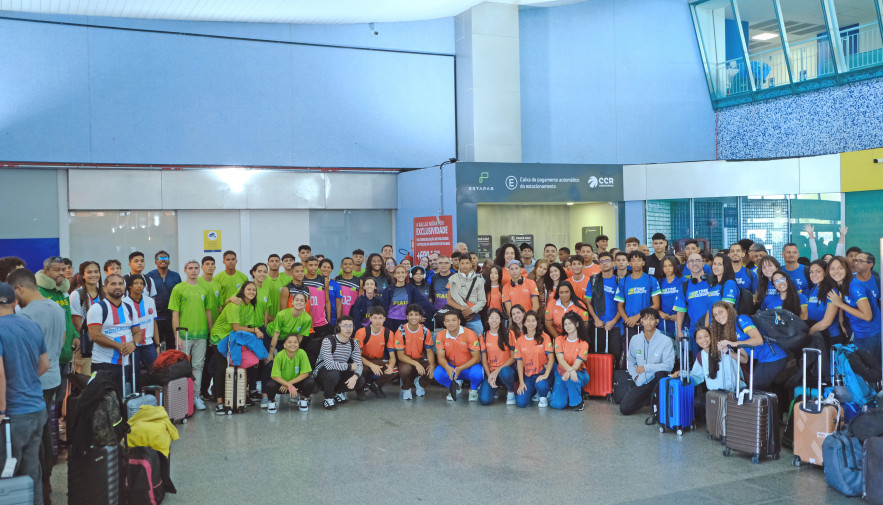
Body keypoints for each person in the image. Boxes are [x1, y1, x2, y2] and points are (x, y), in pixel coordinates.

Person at [7, 269, 65, 503]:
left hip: (34, 379)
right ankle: (46, 481)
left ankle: (41, 483)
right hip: (53, 376)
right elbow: (61, 341)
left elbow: (26, 351)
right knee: (44, 432)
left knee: (35, 439)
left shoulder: (27, 315)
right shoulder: (57, 308)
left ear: (19, 289)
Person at [0, 282, 51, 505]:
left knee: (5, 475)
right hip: (36, 409)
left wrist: (1, 410)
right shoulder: (31, 325)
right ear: (14, 301)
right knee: (31, 472)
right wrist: (25, 379)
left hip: (11, 414)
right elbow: (45, 364)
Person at [209, 281, 263, 414]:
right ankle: (220, 402)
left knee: (239, 366)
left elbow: (245, 327)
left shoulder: (250, 306)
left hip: (234, 338)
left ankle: (237, 397)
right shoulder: (235, 304)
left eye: (254, 290)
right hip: (220, 337)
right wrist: (255, 330)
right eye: (249, 289)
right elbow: (236, 327)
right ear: (243, 290)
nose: (251, 292)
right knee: (222, 368)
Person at [709, 301, 786, 391]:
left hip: (774, 357)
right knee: (762, 389)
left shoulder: (741, 319)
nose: (718, 316)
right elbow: (744, 359)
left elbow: (758, 340)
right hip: (764, 359)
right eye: (715, 315)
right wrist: (727, 351)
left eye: (720, 312)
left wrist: (732, 343)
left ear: (728, 311)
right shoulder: (732, 329)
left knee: (755, 388)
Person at [169, 260, 213, 411]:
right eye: (190, 268)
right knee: (182, 367)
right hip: (184, 335)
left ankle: (196, 396)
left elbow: (208, 311)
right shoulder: (178, 288)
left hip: (201, 334)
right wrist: (177, 335)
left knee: (198, 366)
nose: (193, 271)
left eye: (196, 268)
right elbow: (175, 313)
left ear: (199, 270)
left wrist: (210, 331)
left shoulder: (205, 288)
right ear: (185, 270)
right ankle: (182, 397)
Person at [86, 274, 141, 394]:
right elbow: (95, 335)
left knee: (121, 398)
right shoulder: (97, 308)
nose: (118, 287)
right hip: (103, 364)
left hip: (124, 364)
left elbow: (137, 332)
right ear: (105, 288)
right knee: (103, 400)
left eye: (120, 284)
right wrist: (118, 346)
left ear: (124, 287)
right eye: (113, 284)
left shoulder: (129, 308)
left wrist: (133, 344)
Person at [671, 326, 745, 414]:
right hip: (715, 393)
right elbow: (696, 375)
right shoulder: (700, 356)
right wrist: (682, 373)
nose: (703, 340)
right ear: (696, 341)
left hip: (733, 391)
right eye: (699, 338)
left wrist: (728, 393)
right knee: (698, 402)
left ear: (711, 337)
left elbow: (733, 372)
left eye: (706, 336)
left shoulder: (723, 349)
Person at [619, 308, 676, 415]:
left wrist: (646, 368)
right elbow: (630, 361)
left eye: (651, 319)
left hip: (657, 380)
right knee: (625, 408)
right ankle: (648, 399)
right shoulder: (635, 339)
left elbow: (669, 366)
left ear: (657, 321)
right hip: (641, 381)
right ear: (641, 321)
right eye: (645, 319)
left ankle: (659, 404)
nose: (648, 322)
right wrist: (635, 376)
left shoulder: (666, 341)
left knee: (661, 373)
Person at [827, 256, 882, 357]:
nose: (836, 271)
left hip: (871, 334)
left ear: (847, 269)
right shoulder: (842, 285)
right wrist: (841, 321)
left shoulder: (855, 286)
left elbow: (867, 316)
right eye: (832, 268)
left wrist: (840, 304)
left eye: (840, 268)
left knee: (870, 366)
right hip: (858, 333)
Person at [35, 257, 77, 378]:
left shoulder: (63, 292)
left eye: (63, 269)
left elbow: (68, 318)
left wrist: (75, 335)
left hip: (66, 354)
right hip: (49, 358)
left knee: (62, 389)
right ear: (46, 272)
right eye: (56, 270)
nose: (61, 273)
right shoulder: (38, 292)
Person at [314, 315, 365, 410]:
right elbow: (329, 365)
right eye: (345, 326)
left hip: (340, 371)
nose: (348, 329)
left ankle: (337, 392)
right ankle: (328, 398)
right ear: (338, 328)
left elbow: (359, 364)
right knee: (333, 374)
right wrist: (349, 366)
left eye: (350, 326)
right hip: (323, 372)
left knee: (360, 380)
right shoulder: (328, 340)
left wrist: (355, 377)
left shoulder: (353, 343)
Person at [433, 311, 483, 402]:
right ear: (444, 323)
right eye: (447, 321)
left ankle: (473, 389)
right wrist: (447, 367)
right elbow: (440, 357)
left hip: (469, 366)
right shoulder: (440, 335)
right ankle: (456, 387)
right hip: (452, 366)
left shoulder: (470, 334)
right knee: (437, 374)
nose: (451, 323)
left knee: (478, 374)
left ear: (459, 321)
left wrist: (461, 368)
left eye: (454, 320)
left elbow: (476, 358)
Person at [615, 251, 661, 341]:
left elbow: (656, 305)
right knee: (630, 349)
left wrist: (638, 316)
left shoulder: (651, 280)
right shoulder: (624, 281)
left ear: (643, 263)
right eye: (633, 260)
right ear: (629, 263)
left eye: (639, 260)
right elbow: (620, 306)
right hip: (629, 324)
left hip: (647, 323)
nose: (636, 263)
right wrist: (628, 320)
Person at [392, 304, 435, 400]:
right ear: (407, 317)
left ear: (420, 317)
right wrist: (416, 364)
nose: (413, 317)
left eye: (416, 315)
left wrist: (432, 366)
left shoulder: (425, 331)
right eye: (411, 315)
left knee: (434, 372)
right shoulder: (401, 331)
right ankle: (406, 388)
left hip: (420, 358)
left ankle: (420, 384)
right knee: (405, 370)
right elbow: (400, 356)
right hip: (405, 359)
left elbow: (429, 351)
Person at [550, 312, 591, 411]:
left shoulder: (583, 343)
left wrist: (570, 372)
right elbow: (560, 359)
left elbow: (577, 364)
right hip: (561, 372)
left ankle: (578, 403)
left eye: (570, 323)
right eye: (565, 324)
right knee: (557, 404)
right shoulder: (559, 339)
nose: (567, 326)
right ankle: (569, 393)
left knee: (571, 378)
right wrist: (569, 371)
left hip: (579, 373)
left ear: (577, 324)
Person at [513, 310, 554, 408]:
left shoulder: (545, 337)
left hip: (542, 373)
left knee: (541, 385)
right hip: (528, 376)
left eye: (533, 320)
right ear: (524, 323)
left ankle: (543, 395)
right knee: (521, 403)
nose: (531, 323)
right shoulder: (520, 340)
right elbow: (519, 362)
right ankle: (534, 391)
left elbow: (551, 357)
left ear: (537, 322)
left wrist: (545, 375)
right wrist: (521, 382)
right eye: (528, 321)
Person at [586, 252, 623, 359]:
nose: (604, 263)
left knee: (614, 356)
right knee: (598, 357)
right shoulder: (593, 280)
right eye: (601, 261)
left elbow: (622, 305)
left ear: (613, 263)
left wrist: (613, 321)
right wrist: (596, 319)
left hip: (615, 325)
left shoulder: (619, 282)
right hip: (598, 324)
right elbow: (588, 302)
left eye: (607, 261)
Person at [124, 274, 160, 386]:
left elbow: (154, 323)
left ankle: (154, 394)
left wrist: (158, 344)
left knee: (155, 371)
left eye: (141, 283)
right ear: (129, 286)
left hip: (148, 343)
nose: (139, 286)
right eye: (136, 283)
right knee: (134, 373)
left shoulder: (150, 301)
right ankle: (136, 394)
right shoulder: (124, 303)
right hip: (133, 344)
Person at [265, 334, 314, 413]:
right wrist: (287, 384)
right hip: (281, 385)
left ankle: (303, 399)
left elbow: (305, 373)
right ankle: (272, 401)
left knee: (310, 382)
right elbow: (274, 376)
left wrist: (289, 384)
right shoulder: (280, 355)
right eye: (289, 342)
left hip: (296, 385)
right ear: (284, 345)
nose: (293, 344)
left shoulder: (302, 353)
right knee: (270, 385)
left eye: (295, 342)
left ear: (298, 344)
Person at [69, 261, 104, 374]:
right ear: (83, 275)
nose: (93, 275)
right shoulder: (76, 295)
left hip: (104, 344)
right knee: (86, 377)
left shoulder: (104, 293)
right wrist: (95, 338)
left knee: (103, 378)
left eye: (96, 272)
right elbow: (77, 324)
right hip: (86, 345)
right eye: (89, 272)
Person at [354, 306, 396, 398]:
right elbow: (357, 356)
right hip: (363, 360)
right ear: (370, 319)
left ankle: (376, 385)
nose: (378, 321)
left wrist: (391, 365)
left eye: (380, 318)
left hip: (378, 360)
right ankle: (360, 387)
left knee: (395, 369)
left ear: (384, 319)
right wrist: (371, 365)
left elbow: (392, 356)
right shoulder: (361, 332)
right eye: (375, 318)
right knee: (361, 368)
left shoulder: (389, 333)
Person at [477, 309, 516, 406]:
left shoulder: (509, 333)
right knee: (484, 400)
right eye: (491, 318)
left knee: (505, 371)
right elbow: (484, 361)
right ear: (487, 320)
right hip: (491, 372)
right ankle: (495, 388)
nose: (494, 320)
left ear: (500, 320)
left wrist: (497, 370)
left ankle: (510, 392)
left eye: (497, 318)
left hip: (506, 370)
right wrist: (490, 375)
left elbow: (513, 357)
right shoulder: (484, 336)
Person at [676, 253, 713, 357]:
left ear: (703, 264)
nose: (694, 263)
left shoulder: (713, 281)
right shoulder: (685, 286)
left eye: (697, 260)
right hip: (695, 333)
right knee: (698, 362)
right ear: (687, 265)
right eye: (691, 261)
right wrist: (679, 331)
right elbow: (680, 310)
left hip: (714, 331)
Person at [144, 250, 180, 352]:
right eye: (160, 258)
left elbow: (179, 294)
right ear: (155, 261)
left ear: (169, 261)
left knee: (171, 345)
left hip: (171, 316)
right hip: (156, 316)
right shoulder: (149, 276)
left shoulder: (175, 276)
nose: (163, 260)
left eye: (166, 258)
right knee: (156, 345)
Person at [381, 265, 437, 331]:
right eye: (398, 273)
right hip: (390, 322)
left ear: (406, 274)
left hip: (406, 322)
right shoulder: (388, 289)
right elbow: (383, 307)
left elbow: (424, 303)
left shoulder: (411, 288)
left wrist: (436, 313)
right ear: (394, 275)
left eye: (402, 272)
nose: (400, 275)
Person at [444, 255, 486, 335]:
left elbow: (482, 300)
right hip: (458, 316)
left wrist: (471, 310)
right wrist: (462, 308)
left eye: (467, 263)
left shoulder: (479, 281)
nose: (465, 265)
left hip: (474, 316)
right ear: (459, 265)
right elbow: (449, 300)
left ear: (471, 264)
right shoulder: (452, 279)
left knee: (478, 338)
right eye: (462, 263)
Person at [806, 259, 843, 346]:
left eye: (818, 271)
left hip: (830, 338)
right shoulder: (813, 290)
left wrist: (809, 332)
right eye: (811, 272)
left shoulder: (832, 292)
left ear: (826, 273)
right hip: (817, 336)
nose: (813, 275)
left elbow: (827, 322)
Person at [657, 255, 686, 338]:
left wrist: (679, 315)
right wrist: (660, 313)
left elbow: (689, 302)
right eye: (665, 266)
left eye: (670, 265)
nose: (667, 268)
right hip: (664, 324)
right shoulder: (659, 282)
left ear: (675, 266)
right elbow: (655, 302)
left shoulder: (683, 281)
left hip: (682, 323)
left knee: (681, 346)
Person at [264, 254, 292, 320]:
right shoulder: (262, 279)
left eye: (276, 261)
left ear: (280, 264)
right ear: (268, 264)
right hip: (264, 318)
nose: (274, 263)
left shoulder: (287, 279)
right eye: (272, 261)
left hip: (282, 318)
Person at [319, 259, 343, 326]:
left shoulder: (335, 284)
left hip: (332, 318)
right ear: (319, 267)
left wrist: (338, 320)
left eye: (329, 267)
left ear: (331, 269)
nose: (326, 269)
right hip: (317, 317)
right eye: (324, 267)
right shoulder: (315, 283)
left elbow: (338, 304)